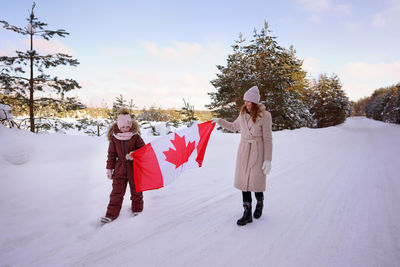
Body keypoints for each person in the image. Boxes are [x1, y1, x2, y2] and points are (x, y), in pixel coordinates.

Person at [212, 86, 273, 226]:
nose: (246, 103)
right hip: (244, 150)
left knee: (255, 182)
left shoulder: (266, 116)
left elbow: (268, 139)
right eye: (245, 100)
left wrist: (268, 159)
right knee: (244, 182)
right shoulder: (242, 115)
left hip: (258, 150)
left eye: (249, 101)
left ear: (255, 103)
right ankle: (247, 213)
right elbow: (233, 127)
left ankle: (260, 201)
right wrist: (219, 121)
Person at [101, 108, 145, 224]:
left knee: (136, 191)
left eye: (127, 127)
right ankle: (111, 214)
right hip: (119, 169)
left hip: (134, 168)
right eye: (123, 127)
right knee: (116, 192)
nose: (126, 129)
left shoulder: (136, 137)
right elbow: (111, 155)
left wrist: (134, 155)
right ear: (119, 127)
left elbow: (143, 150)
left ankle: (137, 209)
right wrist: (109, 169)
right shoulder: (115, 139)